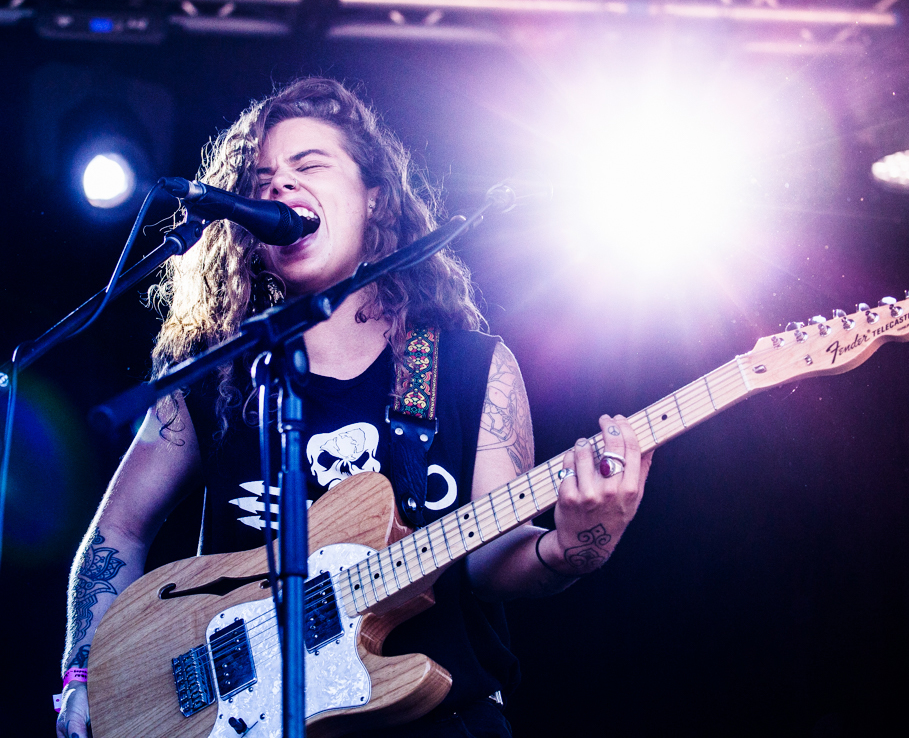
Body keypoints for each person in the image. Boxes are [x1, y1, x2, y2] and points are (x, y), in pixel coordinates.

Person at [55, 78, 653, 738]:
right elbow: (116, 532)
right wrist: (82, 673)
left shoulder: (467, 366)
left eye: (308, 165)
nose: (280, 187)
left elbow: (491, 556)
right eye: (262, 181)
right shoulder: (214, 373)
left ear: (374, 196)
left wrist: (571, 547)